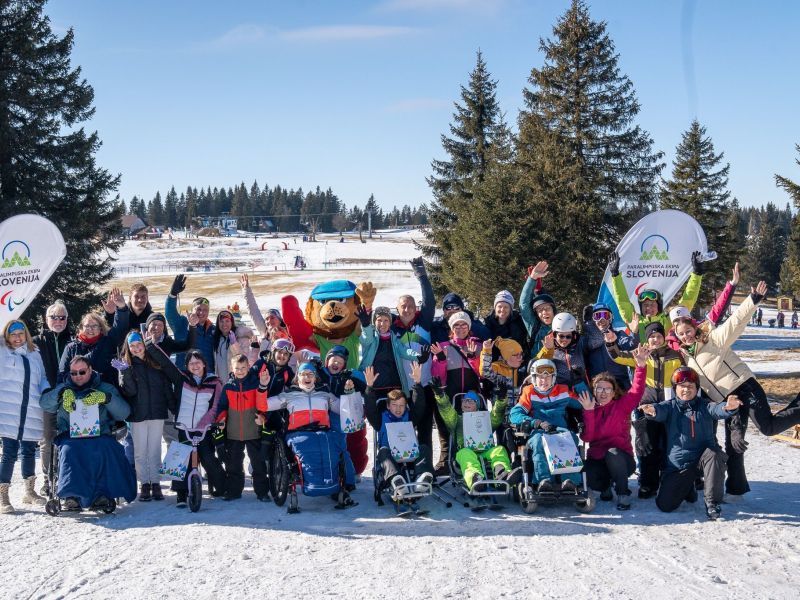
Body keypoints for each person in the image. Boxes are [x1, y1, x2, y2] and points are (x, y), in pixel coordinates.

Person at [673, 280, 800, 496]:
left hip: (744, 388)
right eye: (681, 334)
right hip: (727, 401)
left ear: (695, 328)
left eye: (688, 330)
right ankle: (736, 487)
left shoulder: (713, 340)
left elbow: (735, 322)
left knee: (768, 428)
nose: (686, 335)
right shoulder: (687, 359)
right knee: (734, 443)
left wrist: (753, 300)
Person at [641, 367, 742, 520]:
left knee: (715, 455)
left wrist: (728, 407)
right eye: (682, 386)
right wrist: (651, 410)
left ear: (697, 388)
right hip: (679, 466)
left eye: (690, 386)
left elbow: (718, 409)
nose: (686, 390)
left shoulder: (705, 406)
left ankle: (712, 503)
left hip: (703, 460)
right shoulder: (670, 406)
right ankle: (688, 487)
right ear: (675, 389)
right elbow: (659, 410)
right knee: (665, 505)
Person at [39, 356, 137, 511]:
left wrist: (107, 399)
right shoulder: (64, 388)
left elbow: (124, 413)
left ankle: (102, 494)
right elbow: (44, 403)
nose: (78, 376)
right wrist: (60, 394)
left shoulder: (104, 388)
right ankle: (72, 495)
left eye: (82, 372)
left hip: (100, 435)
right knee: (70, 450)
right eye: (73, 373)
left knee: (106, 447)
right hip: (70, 436)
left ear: (90, 370)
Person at [257, 362, 356, 506]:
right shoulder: (288, 395)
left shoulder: (325, 395)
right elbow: (263, 405)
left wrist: (349, 393)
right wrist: (263, 386)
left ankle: (331, 485)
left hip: (323, 432)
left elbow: (344, 410)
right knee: (310, 451)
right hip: (298, 434)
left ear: (315, 378)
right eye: (303, 374)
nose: (307, 377)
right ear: (297, 378)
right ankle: (313, 486)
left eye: (310, 374)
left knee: (330, 450)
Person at [605, 321, 684, 499]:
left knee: (668, 445)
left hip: (669, 407)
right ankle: (648, 483)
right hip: (646, 407)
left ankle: (668, 480)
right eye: (652, 336)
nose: (655, 339)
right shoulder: (640, 353)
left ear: (664, 337)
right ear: (647, 339)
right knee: (647, 445)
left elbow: (683, 375)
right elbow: (617, 356)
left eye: (658, 336)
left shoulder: (674, 355)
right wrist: (611, 343)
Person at [147, 346, 227, 506]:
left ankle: (222, 487)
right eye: (191, 363)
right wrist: (150, 346)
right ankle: (181, 493)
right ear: (187, 366)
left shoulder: (214, 382)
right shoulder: (182, 379)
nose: (195, 366)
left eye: (198, 362)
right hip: (185, 428)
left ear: (204, 364)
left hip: (203, 429)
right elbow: (167, 365)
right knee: (182, 458)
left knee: (208, 457)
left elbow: (215, 407)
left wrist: (203, 424)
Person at [577, 346, 649, 510]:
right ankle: (605, 487)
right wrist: (588, 412)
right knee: (586, 473)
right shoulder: (589, 407)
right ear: (594, 390)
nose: (603, 392)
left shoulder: (621, 406)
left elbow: (637, 390)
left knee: (613, 453)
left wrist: (640, 366)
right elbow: (587, 438)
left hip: (622, 461)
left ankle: (623, 493)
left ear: (613, 391)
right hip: (598, 459)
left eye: (607, 388)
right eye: (599, 388)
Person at [509, 359, 585, 493]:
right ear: (534, 378)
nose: (544, 381)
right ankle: (543, 481)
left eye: (548, 377)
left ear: (553, 378)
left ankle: (569, 481)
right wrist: (535, 422)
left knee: (569, 438)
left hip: (559, 430)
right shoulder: (529, 392)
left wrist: (578, 382)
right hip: (538, 431)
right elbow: (515, 414)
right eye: (540, 377)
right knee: (539, 442)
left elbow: (584, 402)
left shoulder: (563, 391)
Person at [118, 332, 176, 501]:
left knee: (155, 449)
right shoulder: (127, 366)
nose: (136, 348)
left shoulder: (156, 363)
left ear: (144, 344)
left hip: (157, 412)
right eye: (132, 346)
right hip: (138, 415)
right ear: (128, 348)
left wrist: (173, 407)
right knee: (140, 451)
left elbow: (166, 388)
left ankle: (155, 482)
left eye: (139, 344)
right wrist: (125, 373)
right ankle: (144, 483)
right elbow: (129, 392)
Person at [0, 320, 50, 513]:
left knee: (29, 450)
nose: (17, 337)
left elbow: (42, 377)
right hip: (9, 410)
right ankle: (3, 496)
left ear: (26, 334)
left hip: (31, 410)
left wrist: (46, 391)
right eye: (13, 334)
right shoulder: (3, 352)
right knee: (9, 452)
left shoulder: (34, 353)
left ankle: (29, 492)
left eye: (21, 333)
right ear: (7, 336)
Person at [432, 384, 520, 491]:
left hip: (485, 450)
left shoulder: (484, 418)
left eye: (471, 401)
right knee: (466, 455)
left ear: (477, 405)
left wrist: (501, 400)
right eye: (464, 401)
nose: (466, 403)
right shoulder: (457, 419)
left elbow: (496, 416)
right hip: (466, 450)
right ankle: (475, 479)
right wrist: (440, 395)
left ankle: (502, 476)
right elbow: (447, 412)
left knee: (499, 450)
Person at [364, 363, 433, 496]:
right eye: (394, 405)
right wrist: (369, 387)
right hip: (391, 458)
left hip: (409, 455)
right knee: (383, 452)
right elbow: (370, 409)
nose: (398, 408)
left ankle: (422, 477)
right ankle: (396, 480)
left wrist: (417, 383)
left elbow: (419, 405)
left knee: (424, 448)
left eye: (401, 405)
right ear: (388, 406)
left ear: (406, 406)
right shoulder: (380, 419)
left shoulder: (409, 417)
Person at [607, 250, 704, 343]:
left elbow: (687, 300)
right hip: (643, 354)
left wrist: (697, 274)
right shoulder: (635, 320)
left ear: (659, 306)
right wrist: (615, 275)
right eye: (645, 305)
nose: (649, 308)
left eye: (652, 304)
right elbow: (622, 301)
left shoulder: (668, 321)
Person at [430, 311, 482, 474]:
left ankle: (477, 460)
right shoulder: (444, 347)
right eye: (456, 325)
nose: (460, 328)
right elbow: (437, 376)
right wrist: (440, 359)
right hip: (451, 393)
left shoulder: (477, 345)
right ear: (451, 329)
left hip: (471, 394)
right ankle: (446, 460)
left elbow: (482, 373)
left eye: (463, 324)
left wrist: (473, 357)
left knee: (473, 428)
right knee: (447, 428)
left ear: (469, 327)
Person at [33, 300, 73, 494]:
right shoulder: (36, 342)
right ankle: (48, 480)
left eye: (62, 317)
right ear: (46, 319)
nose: (58, 321)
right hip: (48, 397)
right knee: (47, 439)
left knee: (70, 437)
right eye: (54, 317)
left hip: (70, 396)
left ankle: (67, 477)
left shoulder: (73, 341)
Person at [217, 354, 270, 501]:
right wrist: (221, 419)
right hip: (233, 432)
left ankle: (262, 492)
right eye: (237, 368)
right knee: (233, 464)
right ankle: (234, 491)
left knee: (258, 463)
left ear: (248, 367)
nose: (240, 371)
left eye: (243, 368)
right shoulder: (228, 386)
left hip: (253, 431)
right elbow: (222, 406)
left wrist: (262, 417)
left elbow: (262, 405)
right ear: (232, 368)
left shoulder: (255, 384)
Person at [59, 288, 130, 384]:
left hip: (105, 388)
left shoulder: (107, 342)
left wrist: (121, 308)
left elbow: (119, 328)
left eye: (94, 326)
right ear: (81, 328)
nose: (90, 329)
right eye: (87, 326)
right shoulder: (71, 348)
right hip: (77, 389)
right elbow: (62, 373)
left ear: (101, 328)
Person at [535, 312, 604, 391]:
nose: (564, 340)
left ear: (573, 335)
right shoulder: (550, 346)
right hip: (560, 390)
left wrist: (589, 323)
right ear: (554, 334)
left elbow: (598, 340)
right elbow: (538, 365)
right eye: (561, 336)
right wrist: (547, 349)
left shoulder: (580, 343)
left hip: (581, 386)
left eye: (568, 336)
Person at [165, 275, 216, 370]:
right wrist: (172, 295)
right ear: (192, 310)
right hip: (185, 374)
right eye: (198, 309)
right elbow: (170, 314)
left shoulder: (213, 330)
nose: (201, 313)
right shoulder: (182, 323)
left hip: (207, 374)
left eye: (205, 310)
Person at [581, 303, 637, 389]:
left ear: (610, 318)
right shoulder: (587, 341)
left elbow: (632, 346)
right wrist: (588, 326)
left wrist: (634, 332)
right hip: (598, 386)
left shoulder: (618, 335)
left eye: (605, 315)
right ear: (592, 320)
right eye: (597, 316)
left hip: (619, 385)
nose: (602, 319)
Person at [483, 290, 529, 361]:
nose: (502, 309)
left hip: (516, 361)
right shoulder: (488, 323)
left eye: (506, 307)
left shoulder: (519, 321)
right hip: (494, 362)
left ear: (511, 309)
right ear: (495, 308)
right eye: (499, 306)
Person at [519, 261, 553, 356]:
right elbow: (524, 305)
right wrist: (532, 278)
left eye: (547, 308)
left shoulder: (561, 324)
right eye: (540, 310)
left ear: (553, 310)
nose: (544, 312)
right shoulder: (535, 326)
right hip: (536, 364)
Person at [480, 337, 527, 406]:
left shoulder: (524, 369)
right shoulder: (497, 367)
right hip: (500, 409)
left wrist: (545, 350)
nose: (520, 357)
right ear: (505, 357)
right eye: (515, 355)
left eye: (521, 354)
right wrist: (486, 351)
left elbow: (539, 363)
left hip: (519, 410)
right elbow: (485, 372)